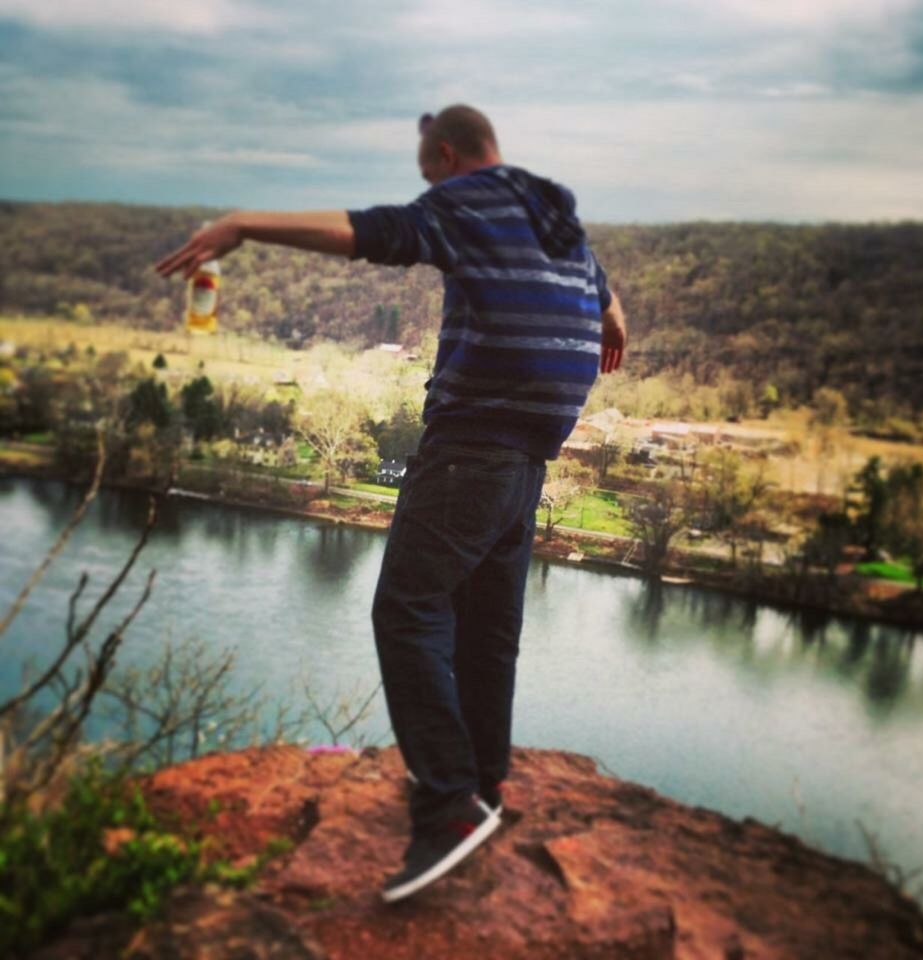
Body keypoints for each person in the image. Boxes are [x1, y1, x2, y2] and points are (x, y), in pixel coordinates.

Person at [155, 104, 626, 903]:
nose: (426, 187)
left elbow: (367, 232)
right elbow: (611, 307)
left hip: (474, 440)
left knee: (406, 610)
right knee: (485, 625)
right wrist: (609, 329)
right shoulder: (549, 213)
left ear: (445, 155)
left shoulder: (464, 200)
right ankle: (483, 784)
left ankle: (447, 806)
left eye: (426, 171)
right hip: (532, 450)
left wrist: (242, 224)